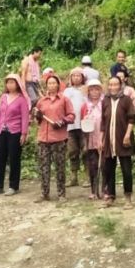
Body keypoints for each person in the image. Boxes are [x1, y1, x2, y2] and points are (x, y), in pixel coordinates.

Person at [34, 74, 75, 202]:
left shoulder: (64, 100)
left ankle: (61, 194)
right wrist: (38, 115)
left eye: (53, 83)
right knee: (44, 167)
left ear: (58, 85)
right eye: (49, 83)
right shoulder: (41, 101)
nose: (51, 85)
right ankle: (44, 193)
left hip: (59, 139)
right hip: (43, 138)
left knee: (60, 167)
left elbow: (72, 115)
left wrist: (62, 121)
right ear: (46, 85)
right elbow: (37, 119)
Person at [101, 76, 135, 209]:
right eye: (110, 85)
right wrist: (102, 139)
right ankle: (110, 196)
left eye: (115, 84)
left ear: (120, 85)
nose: (113, 87)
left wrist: (128, 135)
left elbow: (132, 118)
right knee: (108, 169)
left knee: (126, 170)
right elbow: (103, 122)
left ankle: (128, 198)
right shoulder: (105, 100)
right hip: (109, 140)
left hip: (123, 140)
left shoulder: (126, 100)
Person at [0, 74, 30, 196]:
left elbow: (25, 117)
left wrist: (24, 133)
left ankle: (13, 186)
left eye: (12, 82)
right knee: (0, 159)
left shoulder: (21, 99)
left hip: (15, 131)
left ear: (17, 84)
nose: (10, 85)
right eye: (8, 82)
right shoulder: (3, 97)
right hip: (2, 131)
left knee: (14, 159)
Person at [64, 68, 87, 187]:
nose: (76, 78)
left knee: (86, 151)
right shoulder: (67, 91)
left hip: (84, 125)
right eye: (74, 76)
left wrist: (85, 94)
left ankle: (88, 176)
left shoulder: (86, 89)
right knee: (72, 151)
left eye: (79, 76)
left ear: (82, 77)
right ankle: (74, 177)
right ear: (71, 78)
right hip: (71, 126)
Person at [81, 79, 104, 199]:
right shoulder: (86, 105)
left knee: (105, 165)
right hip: (90, 139)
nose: (94, 92)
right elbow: (82, 122)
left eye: (97, 89)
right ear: (88, 91)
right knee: (92, 165)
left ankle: (105, 190)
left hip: (103, 138)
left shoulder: (105, 103)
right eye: (91, 90)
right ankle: (93, 191)